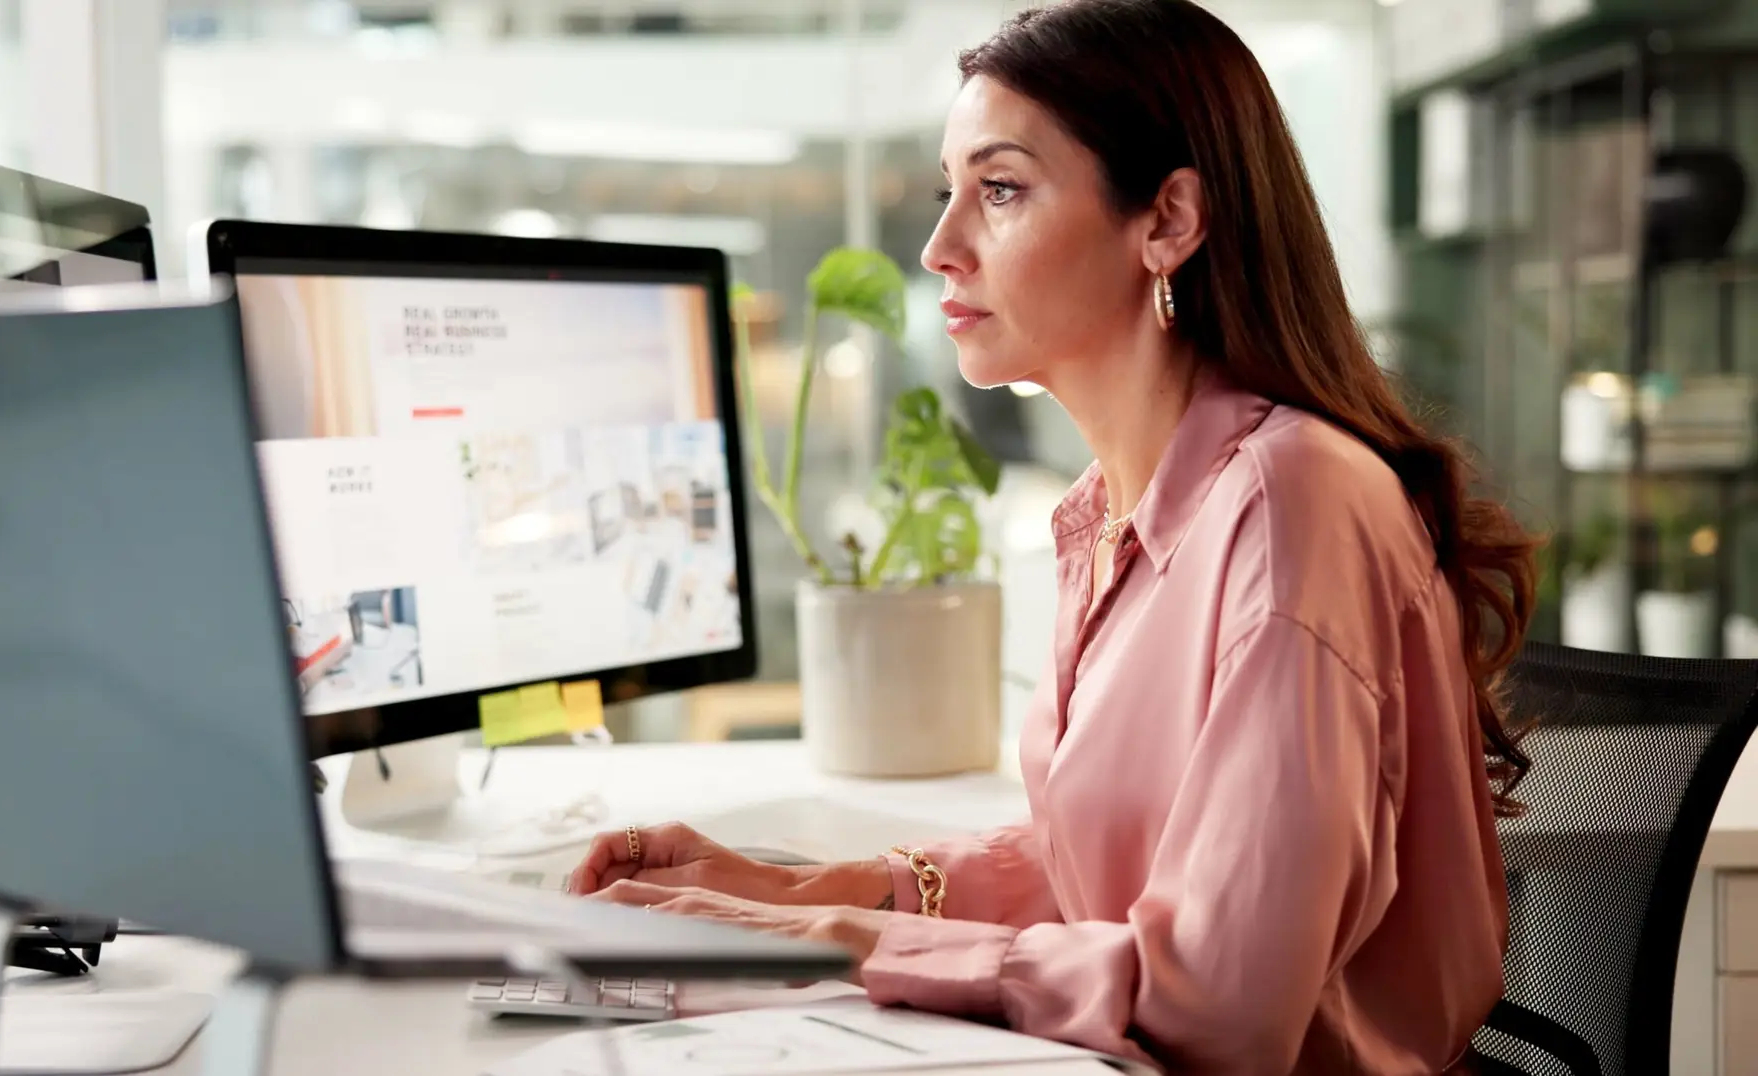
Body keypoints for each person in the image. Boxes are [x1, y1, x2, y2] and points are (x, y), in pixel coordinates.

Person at [569, 1, 1538, 1072]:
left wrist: (829, 940)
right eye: (951, 191)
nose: (941, 246)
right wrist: (793, 885)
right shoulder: (1114, 507)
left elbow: (1222, 1003)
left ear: (1167, 220)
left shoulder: (1290, 500)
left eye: (1000, 189)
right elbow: (1115, 860)